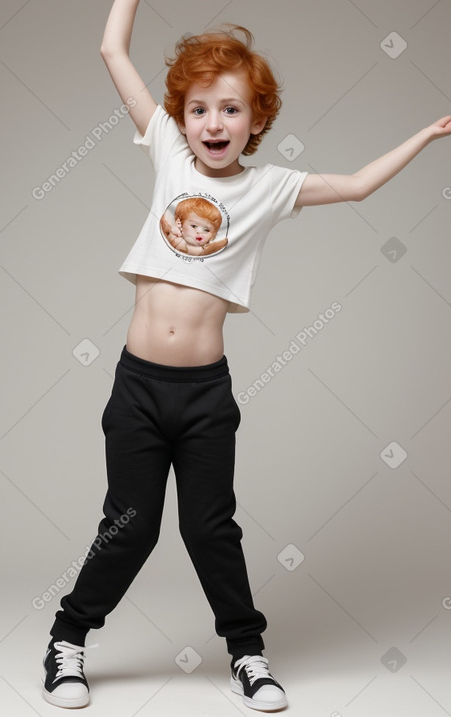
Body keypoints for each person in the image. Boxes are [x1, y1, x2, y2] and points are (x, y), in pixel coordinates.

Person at [42, 0, 451, 711]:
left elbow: (355, 185)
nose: (212, 124)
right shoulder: (167, 149)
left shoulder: (270, 188)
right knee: (129, 525)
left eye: (230, 110)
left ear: (257, 121)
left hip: (205, 394)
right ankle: (68, 637)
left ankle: (248, 653)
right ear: (180, 118)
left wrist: (427, 133)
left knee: (210, 528)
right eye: (198, 109)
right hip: (138, 387)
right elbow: (113, 51)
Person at [160, 196, 228, 256]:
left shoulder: (207, 243)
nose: (199, 232)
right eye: (194, 226)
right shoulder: (175, 237)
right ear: (179, 224)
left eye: (206, 230)